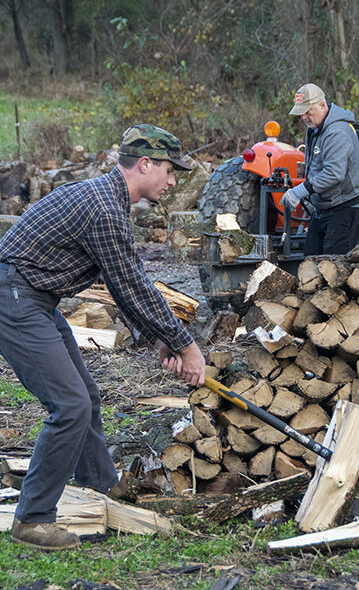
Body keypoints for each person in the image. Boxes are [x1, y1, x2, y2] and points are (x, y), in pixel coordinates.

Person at [0, 124, 206, 551]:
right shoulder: (105, 210)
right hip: (15, 297)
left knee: (86, 398)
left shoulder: (104, 198)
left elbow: (123, 287)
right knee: (70, 406)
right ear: (145, 164)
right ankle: (33, 519)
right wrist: (186, 345)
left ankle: (99, 486)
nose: (172, 181)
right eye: (169, 170)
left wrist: (160, 338)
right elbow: (132, 285)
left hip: (32, 296)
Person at [281, 83, 359, 255]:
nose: (304, 117)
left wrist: (300, 191)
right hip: (325, 207)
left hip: (345, 207)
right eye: (301, 113)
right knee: (310, 260)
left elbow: (334, 173)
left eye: (308, 111)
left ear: (322, 105)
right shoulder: (315, 128)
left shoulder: (337, 132)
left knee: (333, 268)